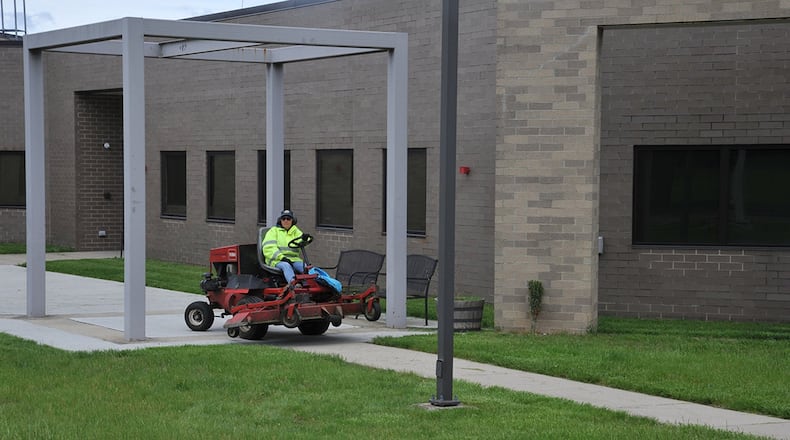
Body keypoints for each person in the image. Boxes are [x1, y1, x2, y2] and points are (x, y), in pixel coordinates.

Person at [261, 209, 305, 284]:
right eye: (283, 219)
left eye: (288, 219)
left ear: (292, 221)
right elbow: (269, 248)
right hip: (276, 260)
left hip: (293, 259)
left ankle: (319, 283)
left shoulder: (296, 231)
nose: (286, 221)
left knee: (305, 267)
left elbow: (300, 241)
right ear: (280, 220)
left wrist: (304, 239)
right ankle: (294, 285)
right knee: (286, 266)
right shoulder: (273, 231)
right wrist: (282, 258)